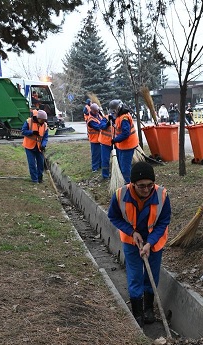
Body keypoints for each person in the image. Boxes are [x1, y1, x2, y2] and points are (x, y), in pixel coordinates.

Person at [107, 161, 171, 326]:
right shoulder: (120, 195)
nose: (146, 189)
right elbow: (113, 216)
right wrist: (132, 232)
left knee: (152, 275)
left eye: (150, 185)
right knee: (135, 275)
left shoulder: (161, 195)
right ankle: (137, 312)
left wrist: (150, 242)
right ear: (132, 184)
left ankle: (148, 308)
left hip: (154, 241)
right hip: (131, 241)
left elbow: (164, 221)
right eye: (141, 186)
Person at [108, 99, 139, 183]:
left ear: (118, 108)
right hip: (123, 145)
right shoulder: (120, 116)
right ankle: (128, 181)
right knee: (123, 166)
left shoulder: (124, 118)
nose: (113, 113)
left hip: (128, 145)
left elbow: (125, 133)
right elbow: (118, 127)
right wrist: (113, 120)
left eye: (114, 111)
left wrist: (115, 140)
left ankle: (129, 184)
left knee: (125, 168)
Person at [21, 109, 49, 183]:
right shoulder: (29, 121)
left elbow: (45, 137)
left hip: (39, 147)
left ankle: (40, 178)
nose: (43, 122)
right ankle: (34, 179)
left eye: (44, 120)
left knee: (40, 163)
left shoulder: (45, 125)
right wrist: (32, 132)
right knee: (32, 163)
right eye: (42, 120)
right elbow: (23, 131)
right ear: (38, 118)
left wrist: (43, 145)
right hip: (29, 146)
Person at [86, 103, 109, 175]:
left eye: (98, 110)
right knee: (95, 154)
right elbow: (99, 127)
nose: (97, 112)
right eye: (96, 111)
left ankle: (99, 166)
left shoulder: (98, 115)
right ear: (92, 110)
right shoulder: (91, 120)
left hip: (100, 139)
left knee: (100, 154)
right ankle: (95, 168)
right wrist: (106, 125)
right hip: (94, 140)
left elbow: (101, 122)